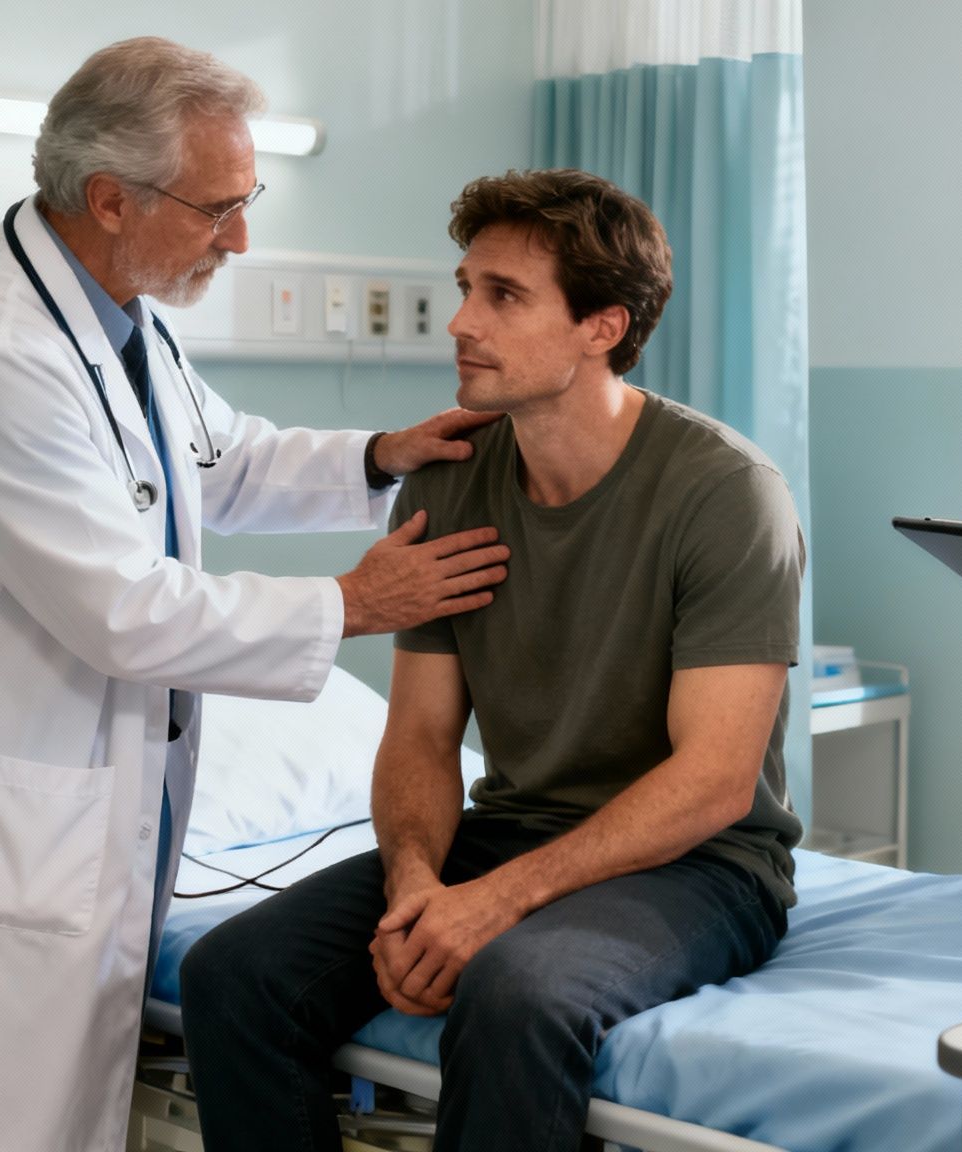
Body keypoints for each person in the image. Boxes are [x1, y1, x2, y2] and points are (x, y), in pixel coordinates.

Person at [0, 38, 512, 1152]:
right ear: (109, 199)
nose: (240, 237)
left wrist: (378, 454)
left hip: (85, 791)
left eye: (249, 200)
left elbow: (213, 460)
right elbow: (124, 610)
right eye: (218, 208)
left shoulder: (118, 311)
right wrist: (351, 603)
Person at [179, 168, 807, 1152]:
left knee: (514, 993)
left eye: (502, 297)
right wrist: (416, 887)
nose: (460, 323)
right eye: (464, 288)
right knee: (234, 975)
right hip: (500, 835)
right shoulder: (453, 480)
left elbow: (717, 781)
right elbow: (422, 734)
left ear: (602, 326)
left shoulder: (724, 493)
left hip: (698, 866)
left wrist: (496, 904)